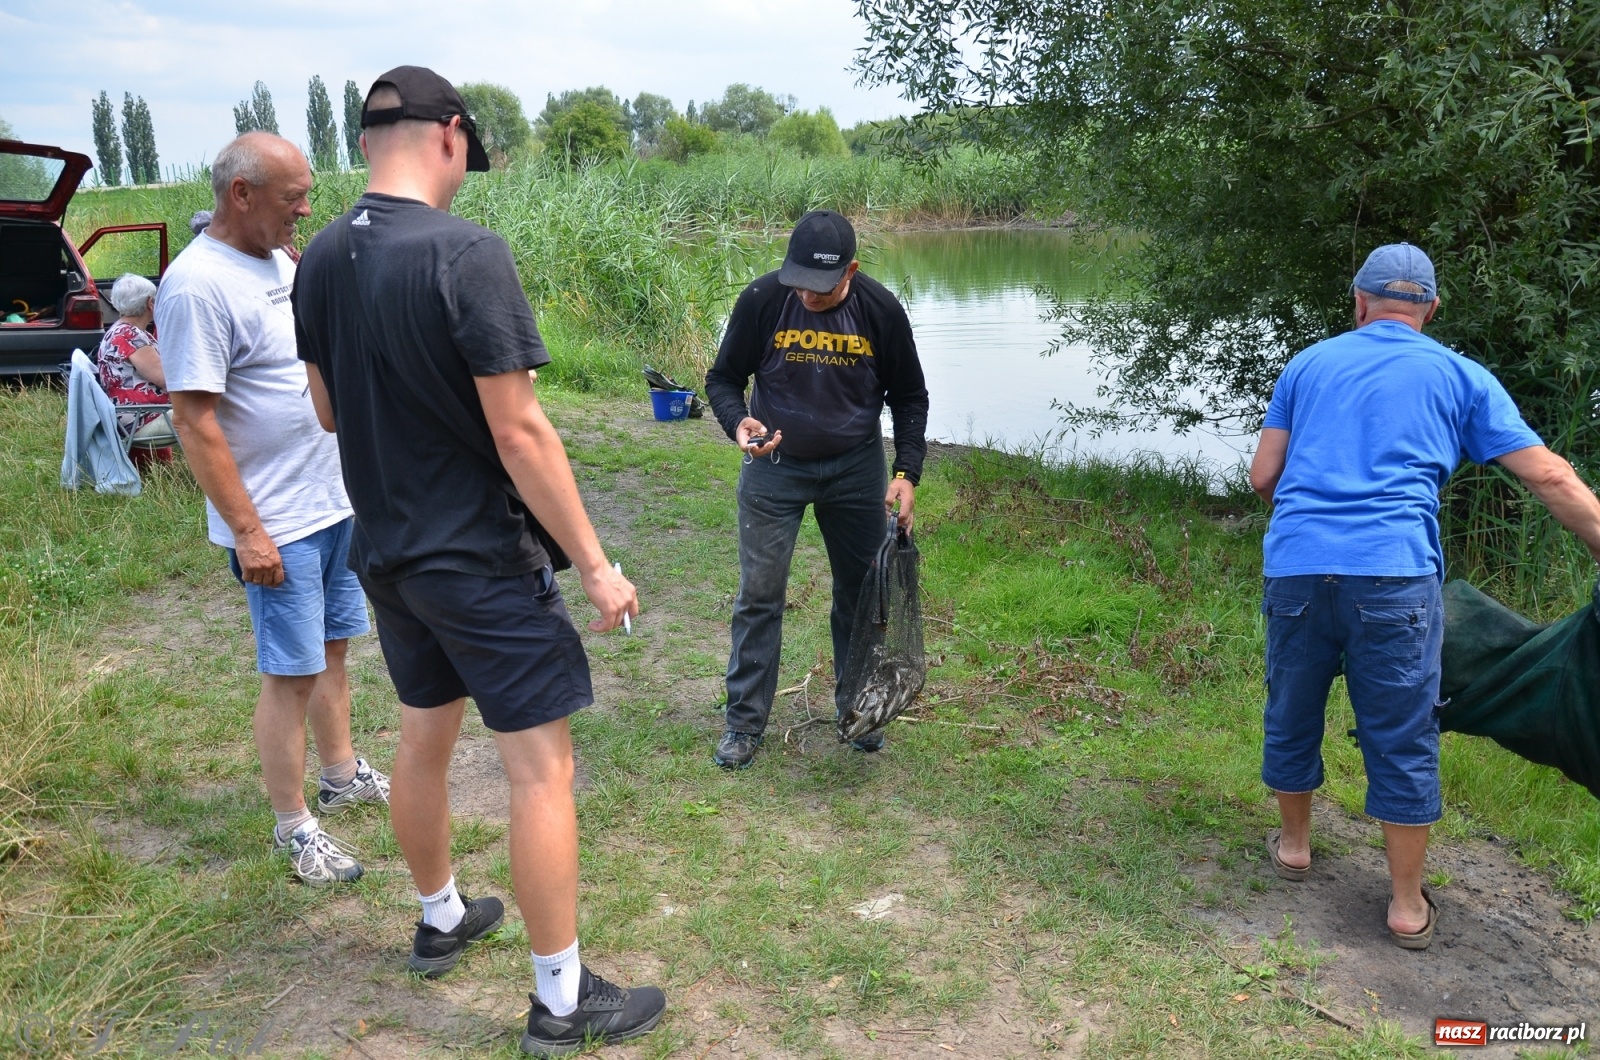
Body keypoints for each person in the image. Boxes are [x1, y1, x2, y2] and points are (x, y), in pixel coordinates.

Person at [291, 67, 665, 1056]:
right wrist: (593, 562)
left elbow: (328, 409)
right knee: (540, 769)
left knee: (423, 735)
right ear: (448, 135)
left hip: (388, 551)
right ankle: (560, 999)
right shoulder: (466, 253)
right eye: (467, 159)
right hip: (477, 558)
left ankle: (442, 916)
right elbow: (522, 430)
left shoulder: (320, 257)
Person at [1248, 243, 1600, 949]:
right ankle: (1406, 906)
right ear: (1430, 310)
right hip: (1395, 575)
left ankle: (1293, 849)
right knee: (1403, 733)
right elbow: (1551, 477)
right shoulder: (1460, 375)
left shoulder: (1307, 365)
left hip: (1298, 569)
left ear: (1359, 303)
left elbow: (1263, 476)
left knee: (1292, 707)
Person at [157, 132, 389, 887]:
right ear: (241, 194)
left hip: (329, 499)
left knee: (332, 650)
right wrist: (249, 531)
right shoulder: (197, 285)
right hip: (275, 523)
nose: (306, 208)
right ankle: (294, 827)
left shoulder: (279, 260)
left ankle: (342, 773)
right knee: (289, 672)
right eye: (293, 196)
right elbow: (195, 419)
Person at [704, 209, 929, 769]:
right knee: (759, 593)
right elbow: (723, 378)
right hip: (773, 466)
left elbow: (909, 397)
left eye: (822, 287)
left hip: (855, 470)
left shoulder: (880, 310)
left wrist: (906, 472)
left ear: (851, 271)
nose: (807, 294)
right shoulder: (762, 299)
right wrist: (739, 422)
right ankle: (744, 723)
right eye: (798, 281)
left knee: (859, 595)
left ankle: (857, 711)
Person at [96, 273, 175, 462]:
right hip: (142, 420)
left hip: (131, 418)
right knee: (218, 409)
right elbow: (168, 379)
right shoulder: (130, 336)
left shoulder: (119, 330)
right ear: (150, 303)